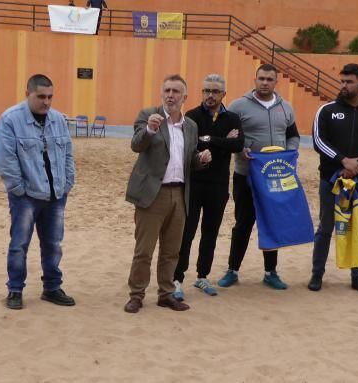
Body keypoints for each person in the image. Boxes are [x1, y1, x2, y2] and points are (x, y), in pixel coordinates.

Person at [124, 74, 212, 313]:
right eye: (167, 91)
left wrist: (200, 159)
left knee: (171, 251)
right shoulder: (148, 116)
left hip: (180, 194)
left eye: (176, 91)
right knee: (144, 250)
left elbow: (188, 161)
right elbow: (136, 145)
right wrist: (150, 130)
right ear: (161, 93)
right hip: (153, 194)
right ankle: (136, 294)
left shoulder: (190, 126)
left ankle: (166, 294)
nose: (171, 95)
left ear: (185, 97)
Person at [0, 74, 76, 310]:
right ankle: (15, 289)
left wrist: (67, 183)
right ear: (27, 93)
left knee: (53, 243)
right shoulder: (10, 119)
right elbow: (6, 160)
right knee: (20, 243)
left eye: (50, 97)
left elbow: (68, 154)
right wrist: (19, 189)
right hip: (26, 197)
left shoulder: (58, 120)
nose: (46, 102)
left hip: (56, 195)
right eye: (41, 96)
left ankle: (52, 288)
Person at [308, 63, 358, 293]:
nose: (344, 85)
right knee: (325, 228)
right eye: (342, 81)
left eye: (349, 81)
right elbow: (319, 141)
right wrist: (343, 160)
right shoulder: (326, 110)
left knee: (357, 228)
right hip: (330, 182)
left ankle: (357, 276)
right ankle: (317, 274)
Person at [217, 64, 300, 291]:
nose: (265, 83)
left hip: (274, 176)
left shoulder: (286, 107)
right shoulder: (238, 106)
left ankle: (270, 272)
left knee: (272, 222)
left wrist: (290, 152)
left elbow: (293, 135)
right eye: (261, 78)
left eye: (269, 79)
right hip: (246, 175)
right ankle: (232, 270)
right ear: (255, 79)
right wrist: (239, 147)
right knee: (243, 223)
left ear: (276, 82)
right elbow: (228, 135)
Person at [172, 74, 243, 300]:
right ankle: (177, 279)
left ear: (224, 94)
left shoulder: (232, 118)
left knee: (210, 233)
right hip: (194, 183)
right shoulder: (191, 116)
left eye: (215, 91)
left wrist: (209, 139)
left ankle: (203, 275)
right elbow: (189, 146)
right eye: (206, 91)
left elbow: (238, 144)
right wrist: (223, 140)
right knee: (187, 233)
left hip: (219, 185)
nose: (210, 95)